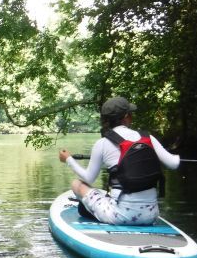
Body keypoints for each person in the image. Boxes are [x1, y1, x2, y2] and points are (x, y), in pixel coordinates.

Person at [58, 96, 180, 225]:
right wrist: (177, 157)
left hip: (120, 217)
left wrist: (69, 160)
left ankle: (94, 209)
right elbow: (174, 163)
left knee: (77, 184)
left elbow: (89, 178)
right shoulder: (147, 138)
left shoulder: (102, 143)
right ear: (127, 116)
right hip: (151, 216)